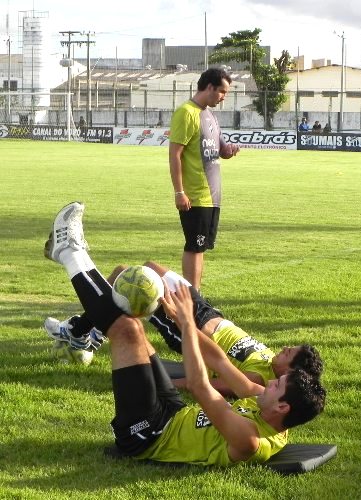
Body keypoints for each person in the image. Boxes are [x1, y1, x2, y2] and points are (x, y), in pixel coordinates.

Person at [43, 202, 326, 466]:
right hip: (173, 412)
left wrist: (189, 327)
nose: (270, 384)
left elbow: (200, 385)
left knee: (126, 329)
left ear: (282, 407)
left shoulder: (250, 439)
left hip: (148, 435)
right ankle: (72, 275)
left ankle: (69, 250)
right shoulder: (265, 400)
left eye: (276, 386)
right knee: (135, 325)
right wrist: (182, 321)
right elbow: (220, 362)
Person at [45, 262, 323, 396]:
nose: (285, 348)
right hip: (207, 311)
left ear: (289, 372)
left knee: (128, 280)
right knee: (145, 267)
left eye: (289, 353)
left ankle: (85, 334)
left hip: (189, 328)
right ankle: (86, 333)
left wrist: (161, 386)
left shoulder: (259, 379)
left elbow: (202, 385)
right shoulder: (274, 363)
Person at [169, 68, 240, 291]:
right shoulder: (186, 112)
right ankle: (192, 298)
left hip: (212, 196)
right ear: (209, 87)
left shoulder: (209, 115)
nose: (223, 97)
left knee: (201, 248)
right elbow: (175, 153)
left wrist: (227, 151)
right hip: (195, 195)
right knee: (194, 247)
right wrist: (179, 192)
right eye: (221, 91)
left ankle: (196, 296)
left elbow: (218, 149)